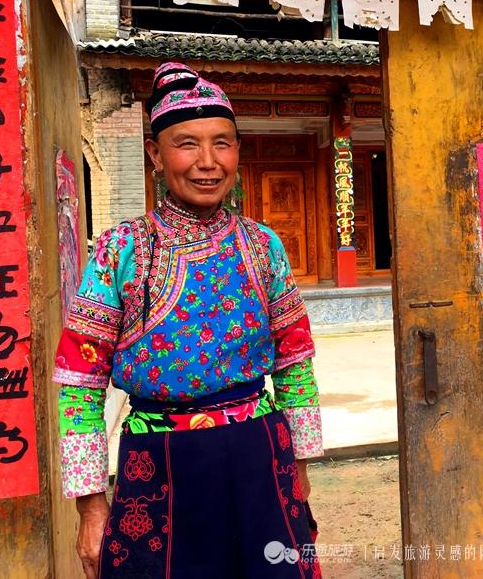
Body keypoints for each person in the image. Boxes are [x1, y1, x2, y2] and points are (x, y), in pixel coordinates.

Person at [53, 62, 323, 578]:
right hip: (155, 466)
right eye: (187, 144)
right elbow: (80, 385)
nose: (207, 162)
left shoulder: (263, 245)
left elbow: (295, 364)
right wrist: (91, 506)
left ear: (238, 152)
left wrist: (300, 471)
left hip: (260, 456)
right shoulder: (120, 250)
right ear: (155, 154)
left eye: (222, 143)